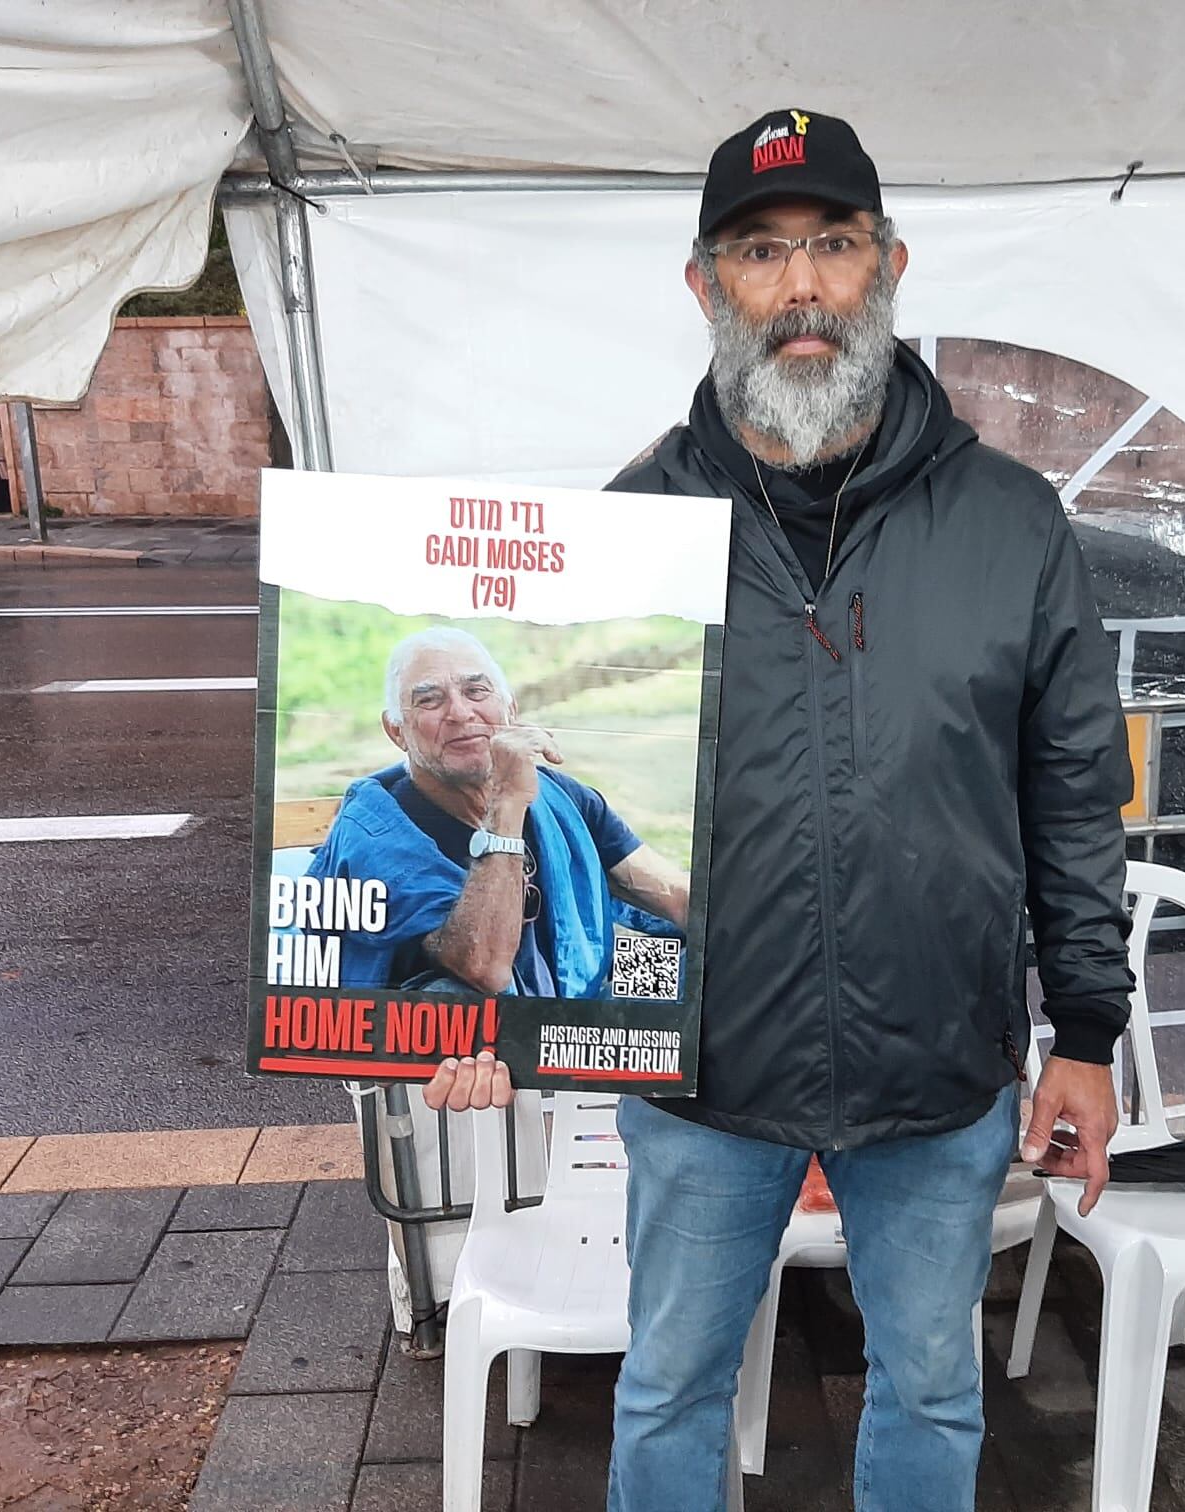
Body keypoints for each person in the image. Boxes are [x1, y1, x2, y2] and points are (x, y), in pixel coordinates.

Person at [426, 109, 1134, 1510]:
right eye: (760, 250)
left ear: (889, 267)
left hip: (939, 1058)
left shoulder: (1011, 523)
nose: (801, 285)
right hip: (704, 1075)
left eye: (832, 244)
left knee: (932, 1388)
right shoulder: (627, 531)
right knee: (671, 1385)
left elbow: (1072, 788)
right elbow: (555, 805)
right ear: (706, 287)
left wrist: (1091, 1030)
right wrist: (475, 1023)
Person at [305, 626, 689, 996]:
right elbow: (483, 968)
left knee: (707, 954)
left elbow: (673, 895)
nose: (460, 712)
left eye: (476, 690)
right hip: (457, 1044)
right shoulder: (374, 834)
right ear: (397, 731)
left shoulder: (561, 798)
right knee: (452, 996)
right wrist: (506, 803)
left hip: (569, 1008)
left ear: (510, 709)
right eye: (429, 700)